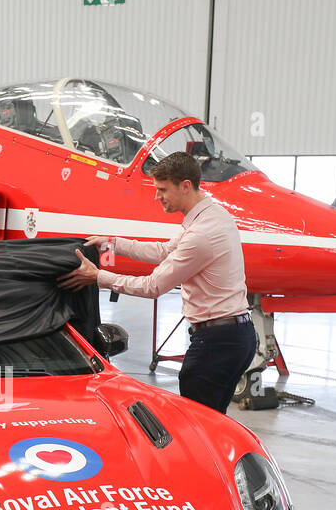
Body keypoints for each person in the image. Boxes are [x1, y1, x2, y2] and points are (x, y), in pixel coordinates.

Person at [59, 151, 256, 414]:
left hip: (217, 341)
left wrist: (98, 277)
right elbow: (164, 252)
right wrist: (114, 244)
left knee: (196, 421)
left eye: (162, 189)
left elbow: (154, 287)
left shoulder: (201, 234)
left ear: (185, 186)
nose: (157, 196)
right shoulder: (212, 215)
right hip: (234, 335)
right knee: (212, 419)